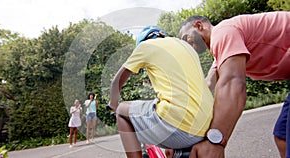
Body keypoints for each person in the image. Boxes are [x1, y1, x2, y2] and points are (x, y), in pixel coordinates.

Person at [179, 11, 290, 158]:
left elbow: (232, 84)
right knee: (283, 136)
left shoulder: (223, 32)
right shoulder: (221, 53)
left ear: (199, 25)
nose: (187, 45)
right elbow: (208, 85)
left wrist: (215, 141)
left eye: (186, 38)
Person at [108, 25, 214, 158]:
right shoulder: (186, 47)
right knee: (169, 147)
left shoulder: (146, 46)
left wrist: (113, 104)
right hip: (208, 127)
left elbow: (116, 83)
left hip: (180, 127)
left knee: (122, 111)